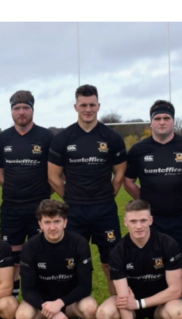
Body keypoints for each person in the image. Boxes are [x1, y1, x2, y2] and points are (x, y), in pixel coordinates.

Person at [124, 100, 182, 319]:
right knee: (155, 269)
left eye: (166, 118)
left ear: (173, 121)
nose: (162, 122)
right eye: (157, 119)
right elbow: (128, 181)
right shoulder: (139, 150)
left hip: (181, 219)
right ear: (151, 122)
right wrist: (145, 206)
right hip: (153, 222)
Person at [48, 84, 126, 295]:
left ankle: (118, 306)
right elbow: (53, 176)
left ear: (99, 106)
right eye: (83, 105)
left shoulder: (112, 137)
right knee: (72, 263)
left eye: (92, 105)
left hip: (105, 210)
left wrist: (108, 195)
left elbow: (120, 173)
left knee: (112, 263)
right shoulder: (63, 138)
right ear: (76, 107)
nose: (88, 109)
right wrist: (70, 197)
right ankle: (76, 308)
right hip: (74, 211)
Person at [0, 90, 56, 319]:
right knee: (13, 262)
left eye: (25, 108)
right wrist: (13, 190)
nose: (21, 112)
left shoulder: (46, 137)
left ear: (32, 110)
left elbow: (54, 173)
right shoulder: (2, 139)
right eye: (17, 108)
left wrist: (42, 194)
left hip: (40, 209)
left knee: (44, 259)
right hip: (11, 209)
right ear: (11, 111)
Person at [96, 200, 182, 319]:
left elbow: (175, 290)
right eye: (133, 221)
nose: (138, 226)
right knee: (103, 315)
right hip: (131, 305)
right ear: (125, 222)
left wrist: (139, 303)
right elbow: (123, 299)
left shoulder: (168, 244)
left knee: (180, 314)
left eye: (143, 220)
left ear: (151, 220)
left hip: (161, 303)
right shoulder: (118, 252)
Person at [16, 199, 98, 319]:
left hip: (71, 302)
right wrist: (49, 309)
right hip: (43, 303)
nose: (52, 227)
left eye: (57, 222)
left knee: (91, 309)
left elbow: (85, 286)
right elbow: (27, 290)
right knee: (22, 318)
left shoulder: (79, 243)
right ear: (40, 224)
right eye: (47, 222)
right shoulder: (30, 247)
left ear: (65, 222)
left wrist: (60, 303)